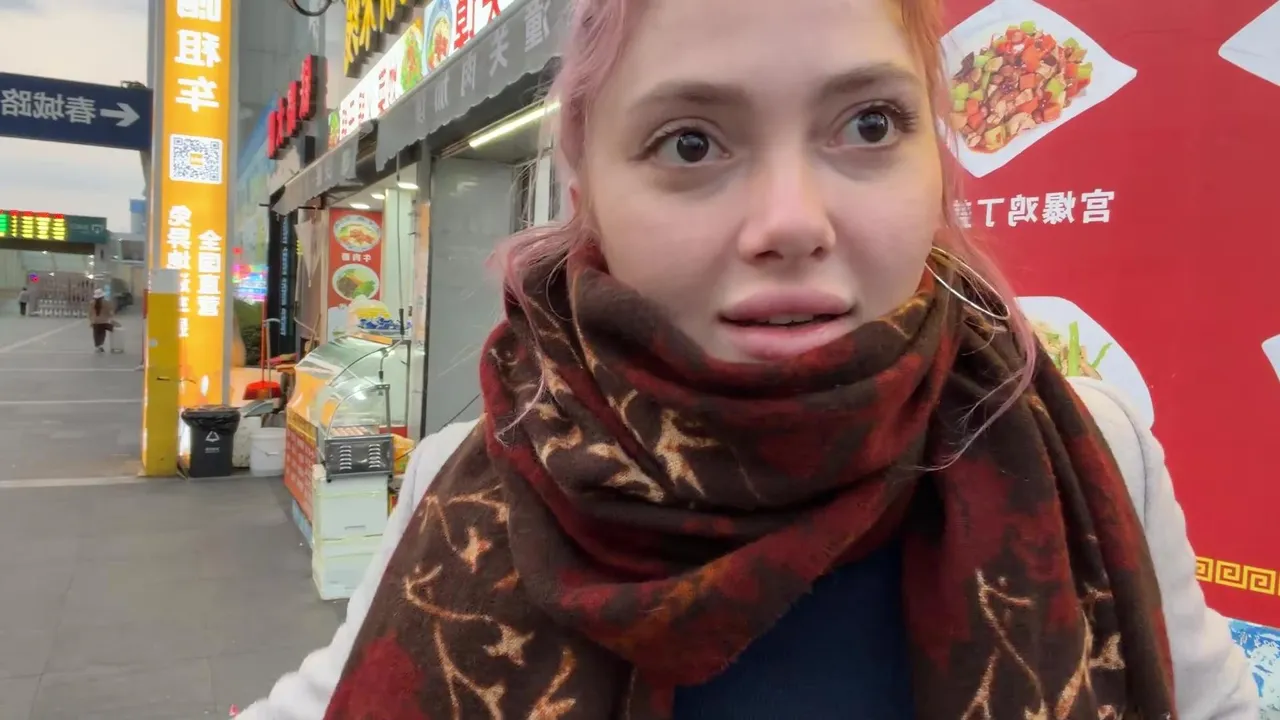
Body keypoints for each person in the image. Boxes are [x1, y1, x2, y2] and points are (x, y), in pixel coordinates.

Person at [240, 0, 1257, 717]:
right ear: (588, 192)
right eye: (691, 143)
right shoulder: (477, 485)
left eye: (868, 124)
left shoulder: (1091, 456)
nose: (791, 223)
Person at [88, 288, 114, 353]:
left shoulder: (92, 303)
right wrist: (110, 318)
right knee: (102, 334)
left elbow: (90, 313)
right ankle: (101, 345)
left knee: (96, 334)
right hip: (104, 321)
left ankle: (97, 346)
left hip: (95, 321)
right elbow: (110, 312)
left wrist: (91, 320)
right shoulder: (106, 303)